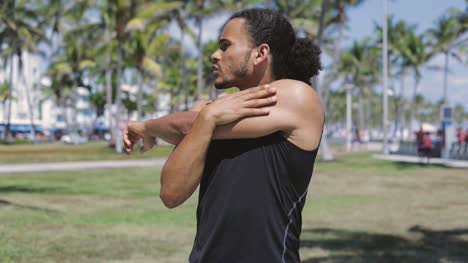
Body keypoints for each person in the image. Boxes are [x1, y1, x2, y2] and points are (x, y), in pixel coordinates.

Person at [123, 8, 324, 263]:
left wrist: (148, 127)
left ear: (260, 53)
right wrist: (207, 118)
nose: (214, 55)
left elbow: (186, 125)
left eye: (225, 46)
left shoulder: (298, 97)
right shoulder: (210, 113)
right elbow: (170, 194)